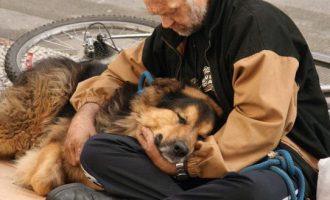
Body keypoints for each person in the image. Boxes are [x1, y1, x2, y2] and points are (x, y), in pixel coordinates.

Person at [46, 0, 330, 199]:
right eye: (158, 14)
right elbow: (120, 73)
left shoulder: (256, 28)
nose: (165, 22)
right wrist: (86, 113)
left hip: (275, 157)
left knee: (252, 192)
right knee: (98, 150)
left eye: (171, 11)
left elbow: (260, 125)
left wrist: (184, 166)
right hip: (201, 157)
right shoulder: (176, 30)